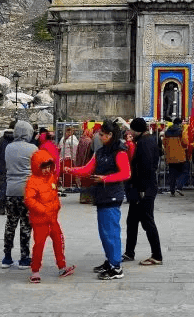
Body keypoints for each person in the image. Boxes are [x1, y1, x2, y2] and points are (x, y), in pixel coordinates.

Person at [65, 119, 132, 280]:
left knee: (111, 232)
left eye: (102, 134)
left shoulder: (120, 152)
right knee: (104, 232)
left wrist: (105, 178)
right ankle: (110, 260)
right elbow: (88, 169)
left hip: (112, 194)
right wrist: (70, 170)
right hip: (102, 195)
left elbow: (126, 174)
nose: (99, 137)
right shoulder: (101, 152)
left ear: (110, 135)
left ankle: (116, 266)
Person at [24, 149, 75, 283]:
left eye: (48, 167)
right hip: (40, 220)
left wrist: (56, 205)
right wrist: (43, 209)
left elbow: (53, 194)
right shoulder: (32, 181)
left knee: (59, 241)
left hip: (52, 218)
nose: (47, 170)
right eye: (44, 168)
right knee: (39, 245)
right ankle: (35, 271)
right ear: (37, 167)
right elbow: (29, 200)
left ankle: (62, 266)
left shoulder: (51, 177)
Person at [123, 118, 163, 265]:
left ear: (136, 130)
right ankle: (129, 252)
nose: (130, 133)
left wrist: (142, 189)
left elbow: (146, 168)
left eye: (132, 130)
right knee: (132, 221)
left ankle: (157, 255)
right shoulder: (148, 140)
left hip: (143, 189)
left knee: (147, 222)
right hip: (139, 189)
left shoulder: (145, 143)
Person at [2, 121, 38, 268]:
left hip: (10, 190)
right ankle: (24, 258)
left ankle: (7, 257)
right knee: (25, 225)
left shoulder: (8, 148)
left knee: (10, 224)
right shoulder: (33, 148)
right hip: (27, 191)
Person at [162, 117, 189, 196]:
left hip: (170, 156)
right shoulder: (181, 131)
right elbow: (185, 142)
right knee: (184, 172)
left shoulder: (167, 132)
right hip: (180, 155)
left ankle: (172, 191)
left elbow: (164, 143)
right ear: (180, 123)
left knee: (172, 174)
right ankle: (179, 187)